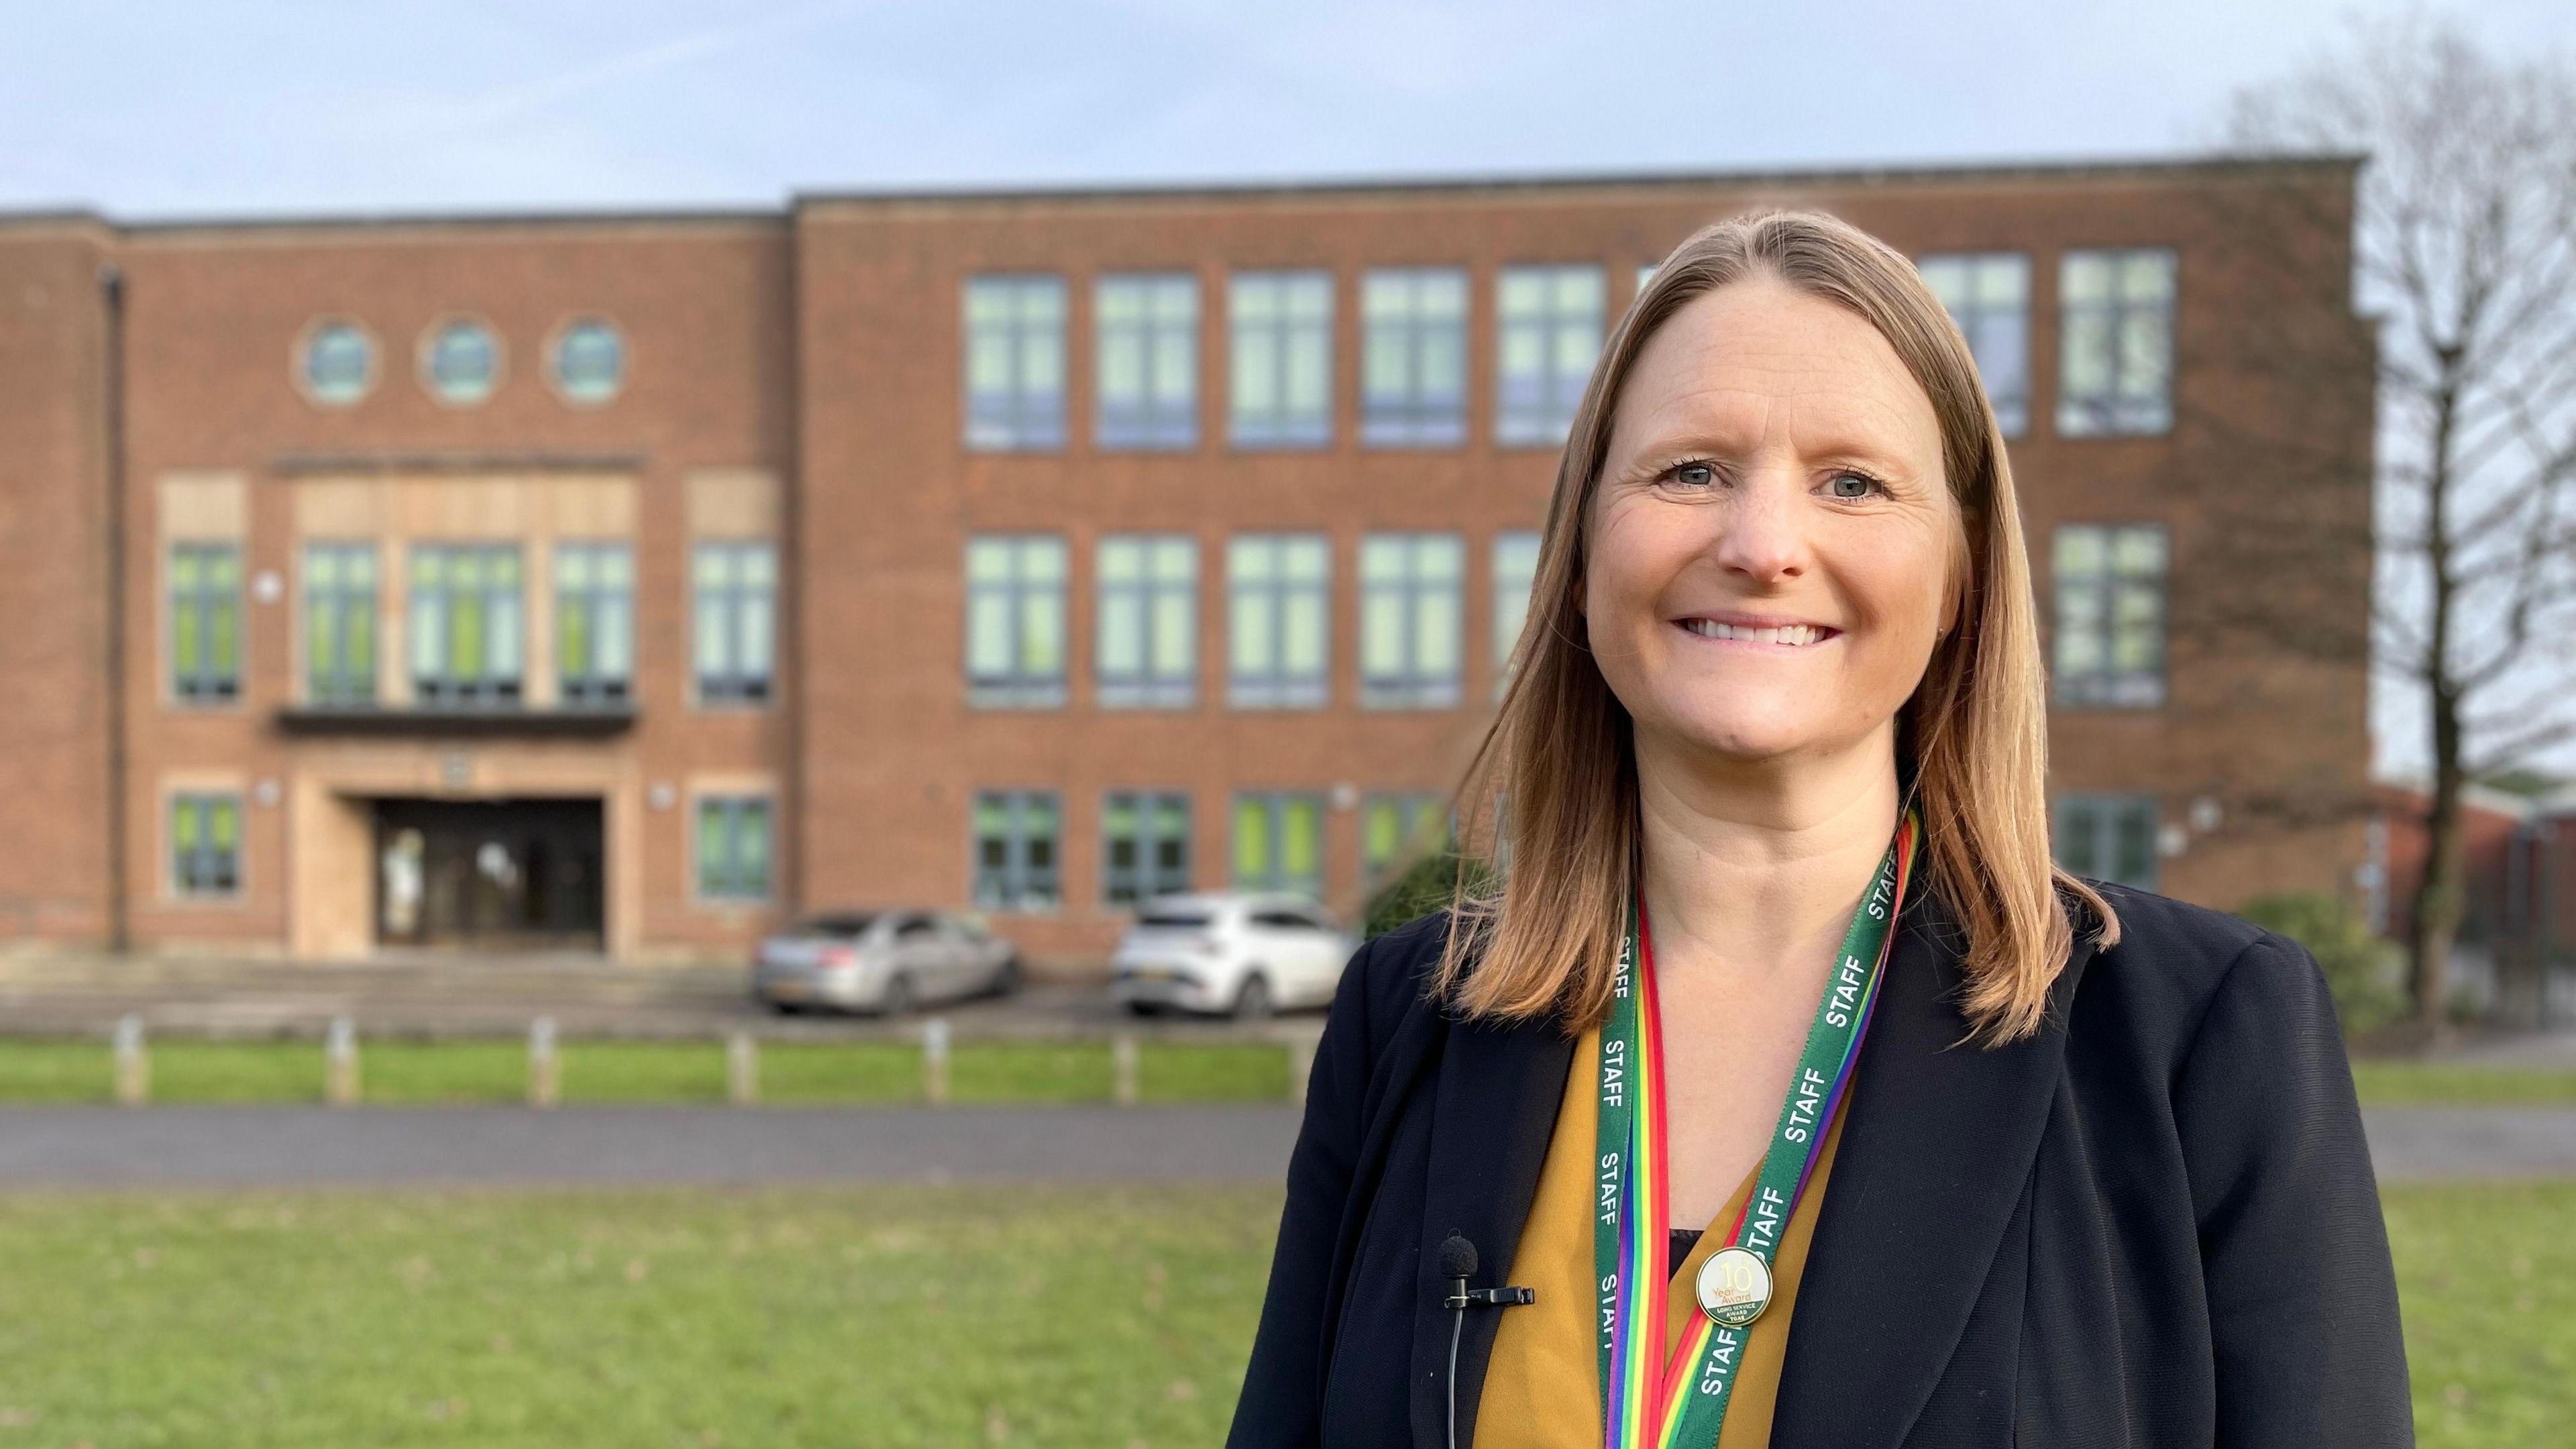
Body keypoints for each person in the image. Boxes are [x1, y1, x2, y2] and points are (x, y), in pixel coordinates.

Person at [1224, 209, 2410, 1448]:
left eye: (1853, 482)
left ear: (1960, 579)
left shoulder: (2199, 1034)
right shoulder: (1409, 1020)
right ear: (1582, 549)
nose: (1762, 546)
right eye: (1691, 470)